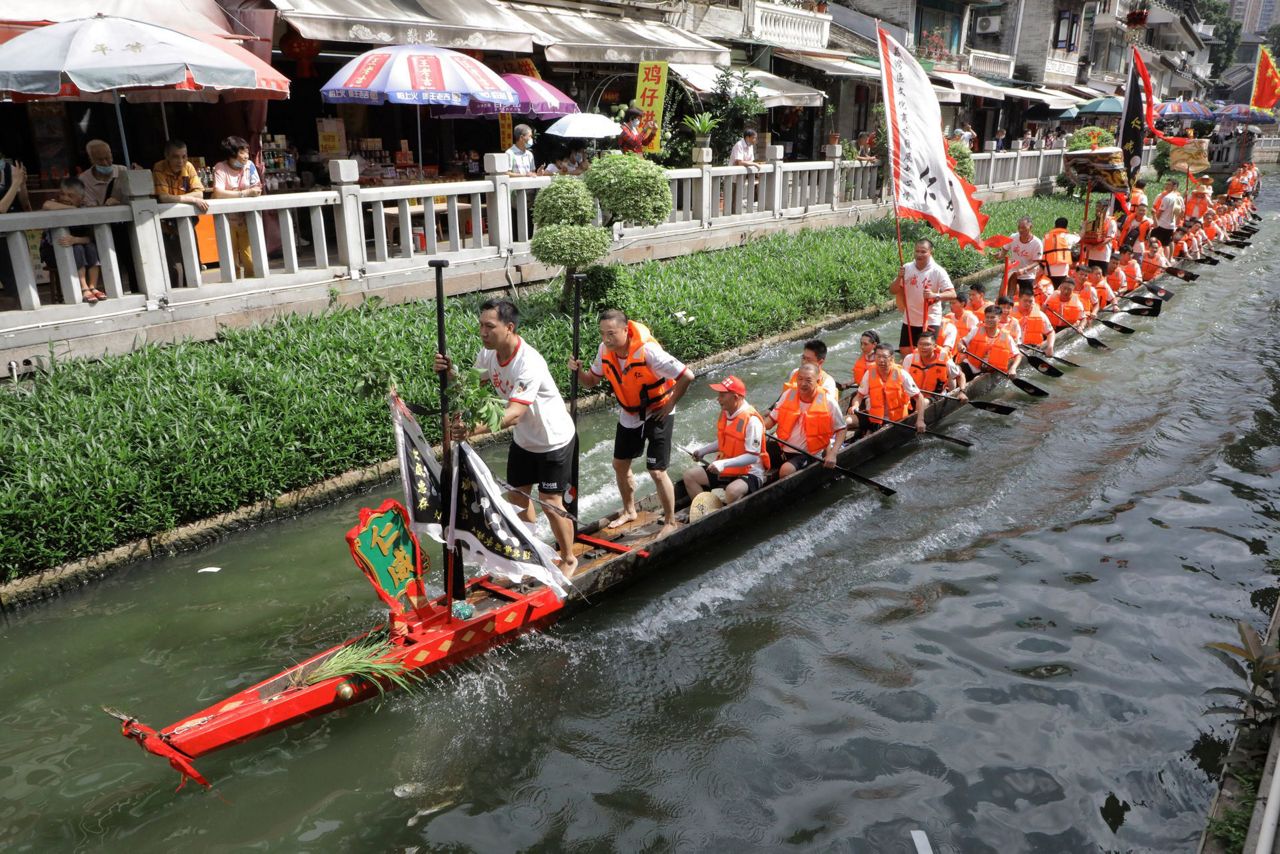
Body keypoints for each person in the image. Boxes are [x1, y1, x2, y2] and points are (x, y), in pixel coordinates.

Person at [435, 299, 579, 573]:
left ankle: (569, 557)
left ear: (509, 327)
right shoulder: (488, 355)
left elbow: (514, 414)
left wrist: (472, 431)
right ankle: (530, 551)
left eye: (490, 326)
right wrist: (449, 372)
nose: (483, 332)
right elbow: (469, 389)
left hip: (553, 440)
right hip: (524, 441)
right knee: (517, 498)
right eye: (481, 326)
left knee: (550, 503)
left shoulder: (529, 362)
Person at [569, 309, 694, 537]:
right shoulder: (604, 350)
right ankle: (629, 510)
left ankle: (670, 521)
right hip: (630, 413)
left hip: (659, 410)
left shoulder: (648, 352)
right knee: (620, 464)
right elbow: (591, 381)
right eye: (602, 334)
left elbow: (687, 375)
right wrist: (578, 372)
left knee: (656, 471)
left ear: (626, 330)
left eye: (611, 334)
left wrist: (669, 404)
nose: (606, 339)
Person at [683, 375, 769, 505]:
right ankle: (706, 510)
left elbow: (752, 457)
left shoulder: (752, 421)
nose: (718, 399)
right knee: (690, 476)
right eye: (719, 395)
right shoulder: (726, 412)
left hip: (750, 472)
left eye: (722, 395)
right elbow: (725, 441)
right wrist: (703, 451)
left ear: (735, 397)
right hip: (728, 468)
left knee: (732, 491)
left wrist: (723, 464)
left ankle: (722, 513)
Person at [765, 363, 846, 477]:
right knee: (757, 454)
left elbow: (842, 430)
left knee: (786, 470)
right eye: (800, 379)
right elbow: (771, 420)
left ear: (818, 380)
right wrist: (758, 427)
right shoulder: (788, 394)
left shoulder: (828, 402)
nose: (803, 384)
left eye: (808, 380)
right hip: (782, 446)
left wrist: (833, 454)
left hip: (808, 453)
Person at [152, 139, 208, 287]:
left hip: (186, 222)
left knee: (194, 263)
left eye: (184, 156)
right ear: (167, 156)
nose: (181, 161)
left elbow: (200, 193)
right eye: (176, 157)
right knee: (174, 269)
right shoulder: (159, 168)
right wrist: (191, 199)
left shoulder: (188, 167)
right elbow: (163, 198)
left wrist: (186, 198)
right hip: (166, 225)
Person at [40, 176, 104, 304]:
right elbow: (46, 205)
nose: (65, 198)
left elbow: (91, 237)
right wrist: (74, 210)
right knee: (78, 249)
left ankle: (93, 287)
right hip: (54, 251)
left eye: (70, 196)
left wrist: (75, 239)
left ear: (81, 198)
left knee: (90, 247)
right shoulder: (54, 203)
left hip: (77, 245)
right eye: (63, 194)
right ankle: (83, 288)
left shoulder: (85, 208)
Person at [889, 238, 957, 354]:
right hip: (910, 318)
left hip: (930, 319)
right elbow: (892, 290)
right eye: (917, 251)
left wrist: (935, 295)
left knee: (927, 351)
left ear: (931, 252)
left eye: (923, 252)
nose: (919, 254)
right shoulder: (906, 267)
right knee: (905, 350)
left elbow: (952, 294)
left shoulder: (938, 271)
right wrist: (899, 277)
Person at [211, 135, 263, 279]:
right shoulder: (220, 168)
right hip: (227, 221)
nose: (246, 156)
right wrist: (244, 193)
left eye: (247, 152)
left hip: (246, 220)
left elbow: (257, 188)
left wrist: (244, 193)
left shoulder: (250, 166)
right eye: (242, 152)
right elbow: (219, 192)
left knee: (250, 260)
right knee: (230, 259)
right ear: (231, 154)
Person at [850, 343, 926, 435]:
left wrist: (920, 420)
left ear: (892, 358)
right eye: (878, 356)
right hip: (875, 418)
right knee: (847, 420)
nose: (881, 360)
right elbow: (859, 396)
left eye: (885, 357)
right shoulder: (870, 373)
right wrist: (855, 406)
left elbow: (919, 397)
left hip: (897, 420)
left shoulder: (902, 374)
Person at [960, 305, 1021, 379]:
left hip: (990, 372)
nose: (989, 320)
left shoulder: (1006, 336)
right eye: (987, 317)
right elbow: (962, 342)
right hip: (972, 366)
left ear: (999, 318)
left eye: (992, 317)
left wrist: (1013, 368)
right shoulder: (976, 330)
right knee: (958, 370)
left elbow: (1018, 355)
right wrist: (961, 346)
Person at [901, 330, 966, 399]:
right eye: (920, 344)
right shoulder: (909, 359)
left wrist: (962, 392)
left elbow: (960, 376)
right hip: (914, 396)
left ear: (935, 346)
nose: (923, 347)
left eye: (927, 344)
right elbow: (902, 381)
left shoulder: (945, 361)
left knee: (925, 403)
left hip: (936, 397)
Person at [1013, 282, 1056, 357]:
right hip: (1014, 348)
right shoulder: (1009, 314)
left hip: (1033, 347)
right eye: (1025, 301)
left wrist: (1050, 347)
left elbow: (1050, 333)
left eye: (1030, 301)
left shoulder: (1041, 315)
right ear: (1019, 299)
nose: (1028, 304)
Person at [1043, 217, 1077, 285]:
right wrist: (1084, 226)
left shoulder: (1046, 237)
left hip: (1048, 271)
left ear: (1055, 226)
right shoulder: (1068, 237)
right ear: (1066, 227)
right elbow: (1080, 236)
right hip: (1062, 272)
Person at [1151, 178, 1183, 247]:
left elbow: (1160, 212)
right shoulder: (1180, 198)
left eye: (1169, 184)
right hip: (1171, 226)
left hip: (1161, 225)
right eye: (1166, 184)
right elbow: (1182, 212)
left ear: (1174, 187)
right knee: (1166, 245)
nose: (1166, 186)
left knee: (1154, 243)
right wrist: (1176, 224)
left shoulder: (1167, 198)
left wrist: (1154, 223)